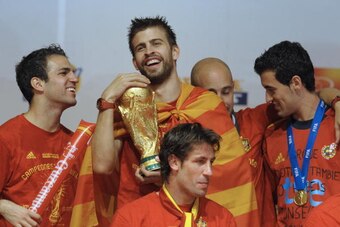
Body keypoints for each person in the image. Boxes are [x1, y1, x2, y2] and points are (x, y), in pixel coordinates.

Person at [90, 16, 259, 226]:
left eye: (156, 43)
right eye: (141, 48)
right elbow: (102, 167)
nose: (149, 51)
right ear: (135, 62)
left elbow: (228, 175)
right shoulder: (126, 107)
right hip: (139, 216)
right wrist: (107, 100)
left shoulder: (207, 104)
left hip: (201, 218)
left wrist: (168, 179)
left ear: (175, 51)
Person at [254, 40, 340, 226]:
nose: (268, 98)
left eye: (271, 89)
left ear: (296, 83)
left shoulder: (337, 124)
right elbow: (269, 206)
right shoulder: (271, 136)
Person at [191, 57, 278, 226]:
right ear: (195, 94)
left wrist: (336, 101)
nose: (220, 101)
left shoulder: (253, 122)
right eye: (211, 94)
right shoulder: (186, 138)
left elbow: (305, 99)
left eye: (226, 91)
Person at [0, 44, 80, 226]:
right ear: (38, 84)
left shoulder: (75, 143)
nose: (74, 79)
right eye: (63, 73)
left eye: (72, 72)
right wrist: (3, 206)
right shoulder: (6, 138)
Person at [111, 123, 236, 226]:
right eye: (200, 162)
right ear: (174, 162)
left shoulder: (223, 219)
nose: (209, 171)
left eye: (211, 162)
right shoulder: (131, 218)